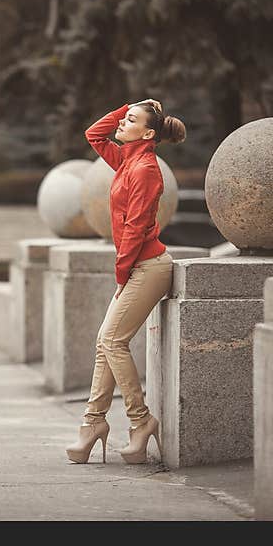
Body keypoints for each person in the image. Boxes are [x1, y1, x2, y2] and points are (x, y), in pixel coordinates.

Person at [65, 99, 187, 464]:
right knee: (106, 342)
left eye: (131, 120)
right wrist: (128, 108)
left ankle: (141, 422)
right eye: (124, 119)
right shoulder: (127, 160)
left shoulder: (147, 169)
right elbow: (94, 134)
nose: (122, 123)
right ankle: (92, 425)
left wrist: (122, 274)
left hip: (149, 267)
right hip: (138, 266)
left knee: (112, 341)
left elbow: (135, 227)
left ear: (148, 134)